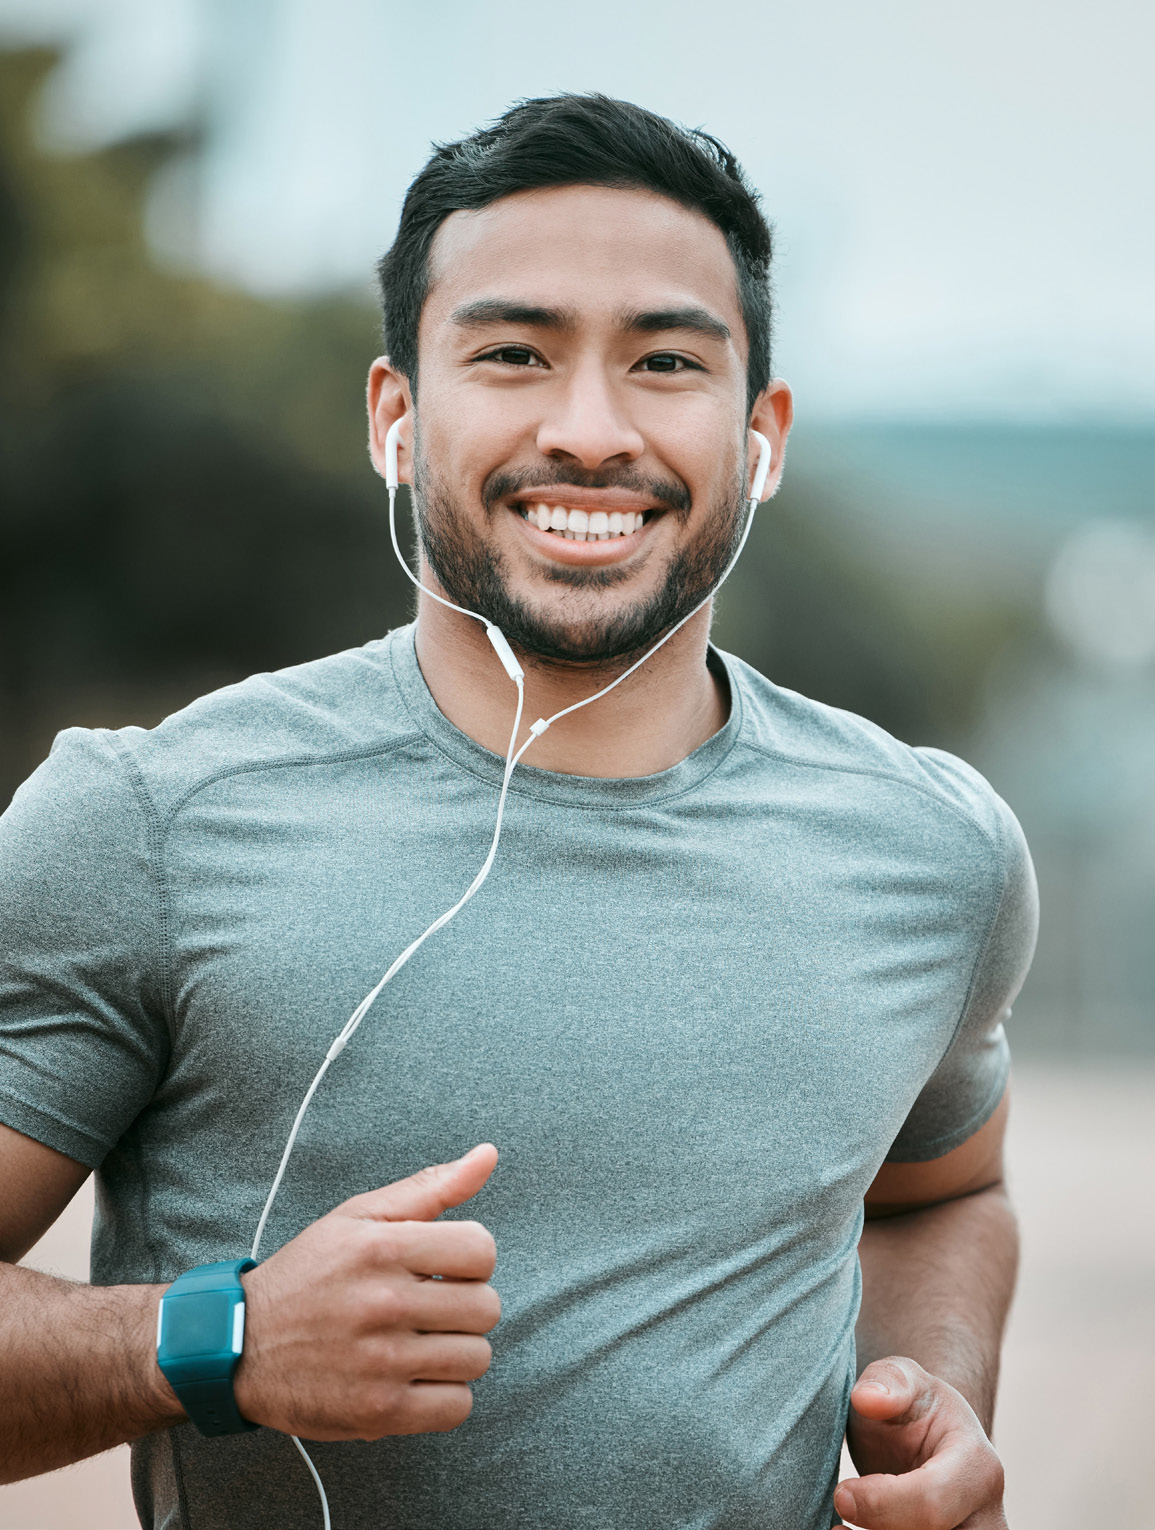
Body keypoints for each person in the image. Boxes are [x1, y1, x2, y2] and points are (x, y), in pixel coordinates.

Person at [0, 95, 1035, 1530]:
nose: (590, 429)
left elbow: (940, 1191)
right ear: (397, 420)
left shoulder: (934, 852)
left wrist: (937, 1389)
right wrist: (214, 1338)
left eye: (666, 361)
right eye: (513, 353)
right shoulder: (143, 823)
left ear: (761, 432)